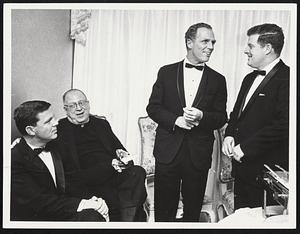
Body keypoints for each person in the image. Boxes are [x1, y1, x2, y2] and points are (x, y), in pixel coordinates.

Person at [146, 23, 227, 222]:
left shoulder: (218, 79)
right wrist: (176, 120)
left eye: (213, 42)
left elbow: (221, 117)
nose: (211, 46)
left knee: (192, 210)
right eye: (205, 41)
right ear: (189, 43)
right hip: (168, 152)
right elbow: (153, 108)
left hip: (198, 154)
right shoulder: (166, 72)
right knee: (164, 210)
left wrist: (201, 116)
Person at [222, 23, 289, 209]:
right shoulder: (249, 78)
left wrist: (245, 148)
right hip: (242, 171)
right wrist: (229, 134)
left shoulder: (289, 78)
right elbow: (236, 115)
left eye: (250, 46)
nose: (245, 50)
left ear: (267, 48)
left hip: (266, 173)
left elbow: (284, 125)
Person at [56, 89, 147, 221]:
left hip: (113, 173)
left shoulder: (100, 124)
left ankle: (128, 221)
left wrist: (121, 154)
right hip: (87, 179)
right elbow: (70, 172)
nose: (79, 108)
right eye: (73, 105)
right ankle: (129, 219)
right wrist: (110, 165)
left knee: (137, 172)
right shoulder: (60, 130)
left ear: (88, 104)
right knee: (121, 197)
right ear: (65, 109)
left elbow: (119, 148)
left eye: (82, 103)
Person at [11, 100, 109, 221]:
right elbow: (38, 202)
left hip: (64, 209)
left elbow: (74, 180)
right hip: (38, 218)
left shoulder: (58, 144)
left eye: (54, 118)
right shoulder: (14, 159)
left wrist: (93, 201)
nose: (56, 123)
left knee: (94, 214)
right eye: (48, 121)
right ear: (31, 130)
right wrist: (84, 204)